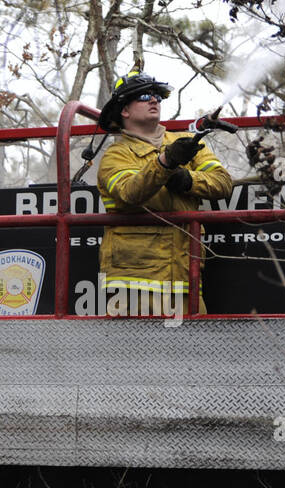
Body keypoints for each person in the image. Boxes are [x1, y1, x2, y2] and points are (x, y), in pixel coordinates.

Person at [96, 70, 233, 316]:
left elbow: (222, 183)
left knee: (193, 352)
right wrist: (165, 163)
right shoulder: (115, 156)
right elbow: (130, 192)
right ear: (124, 111)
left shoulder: (187, 143)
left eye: (158, 96)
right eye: (145, 95)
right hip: (134, 284)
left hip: (185, 278)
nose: (154, 100)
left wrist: (187, 180)